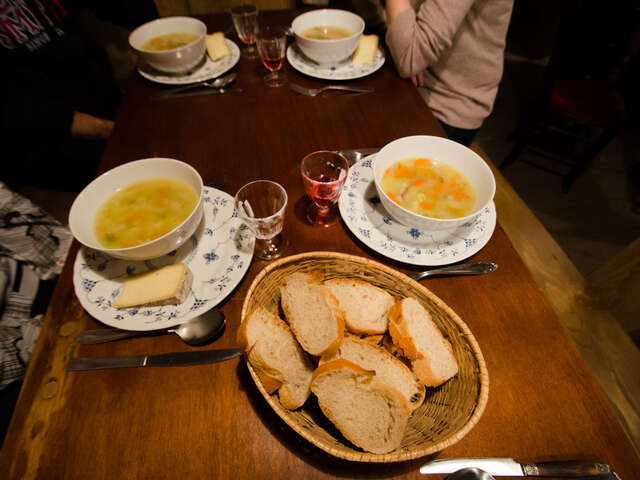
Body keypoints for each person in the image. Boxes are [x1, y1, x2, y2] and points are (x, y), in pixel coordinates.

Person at [0, 0, 157, 192]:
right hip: (44, 147)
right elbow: (16, 108)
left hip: (105, 100)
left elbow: (132, 12)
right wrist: (108, 130)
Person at [384, 0, 514, 147]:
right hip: (411, 84)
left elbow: (410, 55)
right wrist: (406, 35)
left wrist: (409, 43)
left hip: (447, 101)